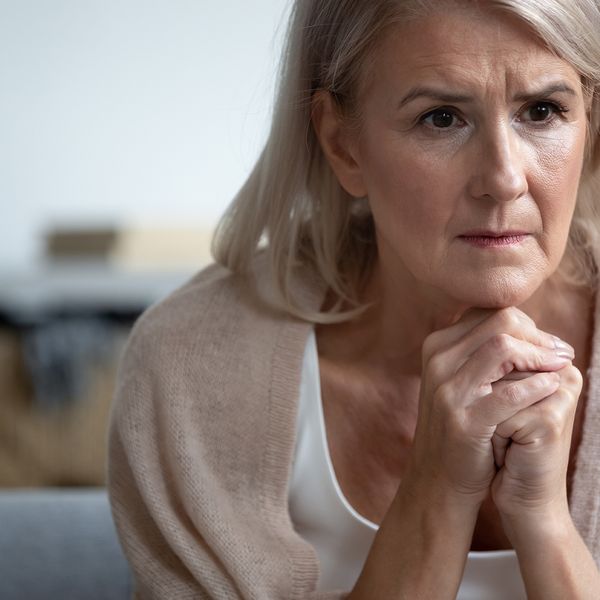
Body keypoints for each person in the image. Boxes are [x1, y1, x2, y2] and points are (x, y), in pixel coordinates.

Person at [107, 0, 600, 598]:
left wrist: (546, 526)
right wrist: (437, 489)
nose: (504, 177)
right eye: (441, 118)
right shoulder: (190, 367)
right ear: (342, 144)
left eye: (542, 111)